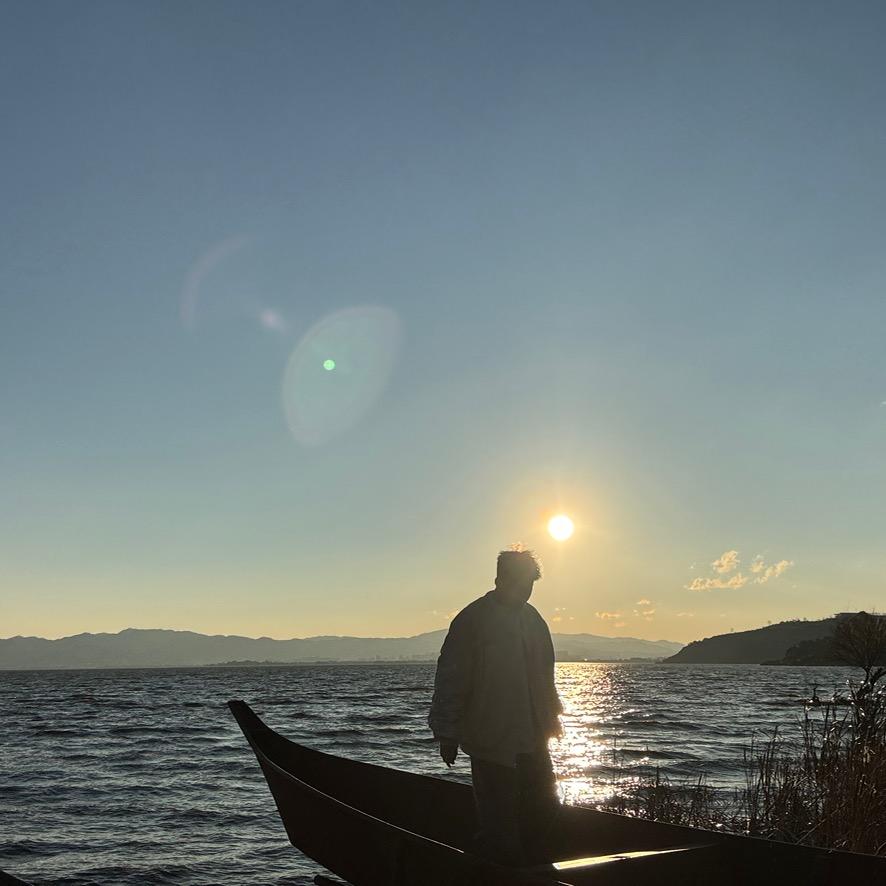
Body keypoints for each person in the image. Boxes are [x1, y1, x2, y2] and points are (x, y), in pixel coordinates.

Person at [428, 548, 562, 866]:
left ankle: (535, 867)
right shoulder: (472, 620)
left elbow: (546, 676)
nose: (525, 590)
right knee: (498, 817)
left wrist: (552, 719)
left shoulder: (534, 621)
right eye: (520, 582)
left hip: (534, 737)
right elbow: (452, 678)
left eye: (530, 583)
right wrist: (448, 734)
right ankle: (497, 869)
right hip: (491, 738)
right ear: (500, 579)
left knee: (544, 809)